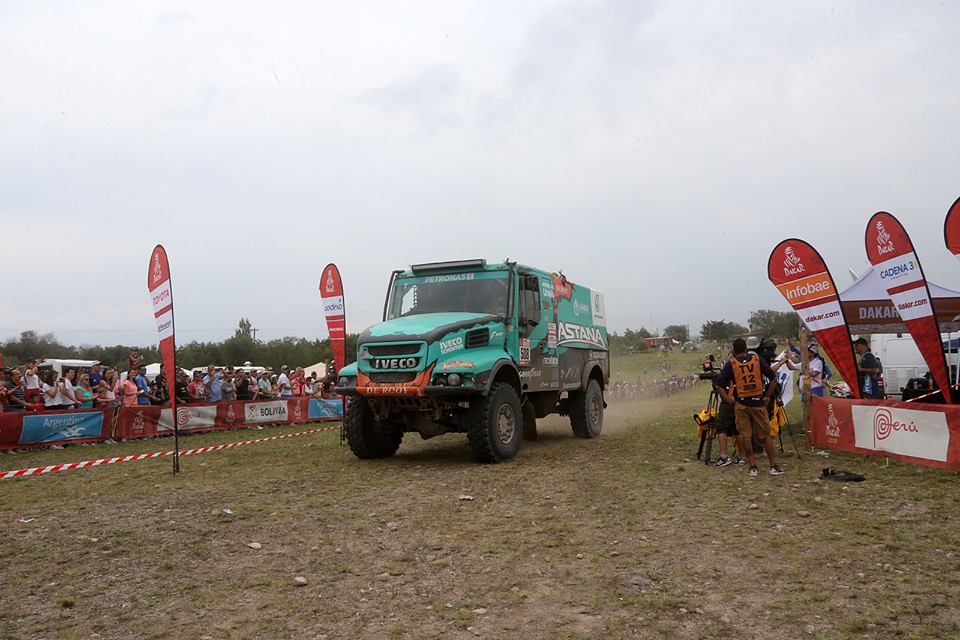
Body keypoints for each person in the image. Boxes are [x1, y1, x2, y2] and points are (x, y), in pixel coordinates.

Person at [715, 338, 783, 477]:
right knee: (765, 436)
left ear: (734, 351)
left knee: (746, 436)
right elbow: (773, 379)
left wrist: (728, 399)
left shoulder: (731, 363)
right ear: (746, 349)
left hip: (741, 404)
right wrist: (768, 396)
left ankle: (752, 466)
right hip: (758, 403)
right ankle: (772, 466)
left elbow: (719, 384)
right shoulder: (756, 360)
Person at [712, 376, 740, 467]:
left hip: (728, 404)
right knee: (738, 430)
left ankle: (724, 457)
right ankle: (742, 456)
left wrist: (727, 399)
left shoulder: (727, 371)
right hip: (740, 403)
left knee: (721, 429)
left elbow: (719, 386)